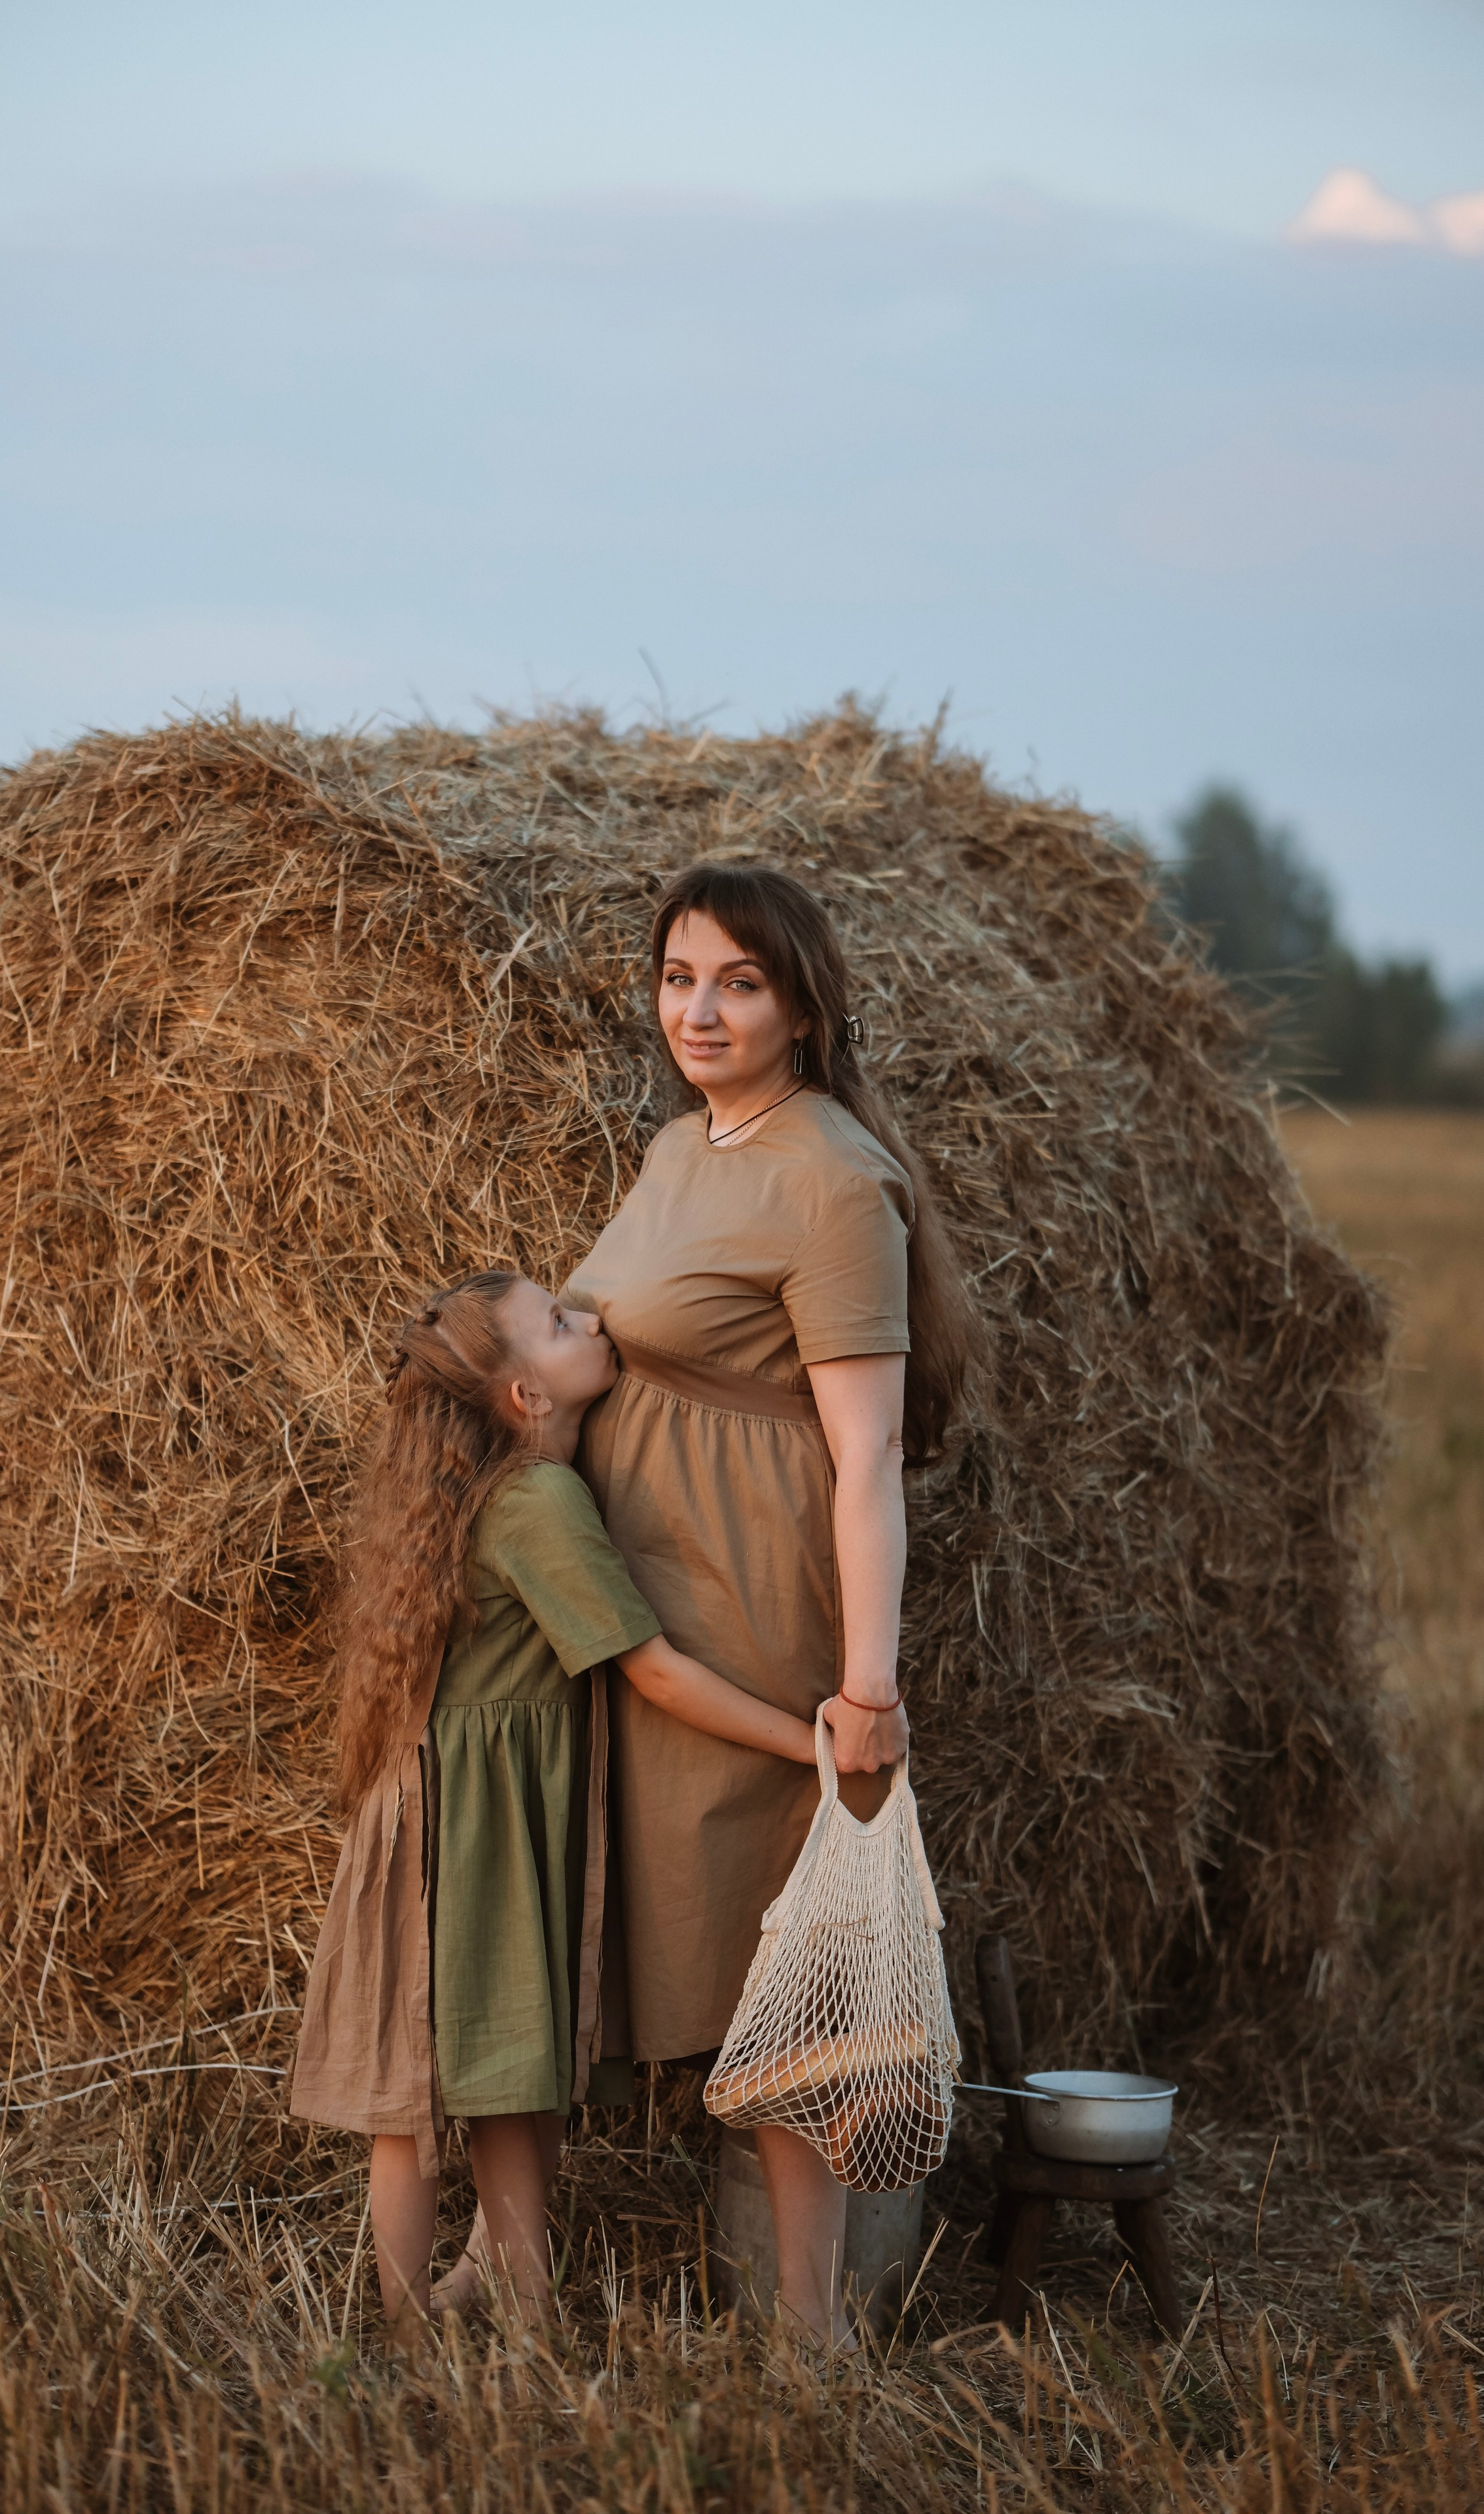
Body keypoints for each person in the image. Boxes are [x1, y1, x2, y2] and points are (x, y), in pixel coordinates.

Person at [566, 862, 971, 2346]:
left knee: (788, 1953)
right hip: (650, 1587)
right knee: (683, 1929)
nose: (700, 1009)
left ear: (804, 1006)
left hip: (752, 1594)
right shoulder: (684, 1147)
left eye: (736, 982)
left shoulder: (829, 1175)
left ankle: (810, 2329)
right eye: (679, 977)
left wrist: (864, 1688)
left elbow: (864, 1451)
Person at [290, 1271, 817, 2327]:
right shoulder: (540, 1501)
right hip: (477, 1828)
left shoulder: (482, 1494)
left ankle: (438, 2319)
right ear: (528, 1398)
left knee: (446, 2087)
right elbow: (653, 1670)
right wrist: (811, 1743)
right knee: (489, 2076)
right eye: (563, 1324)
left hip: (430, 1813)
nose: (596, 1316)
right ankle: (482, 2318)